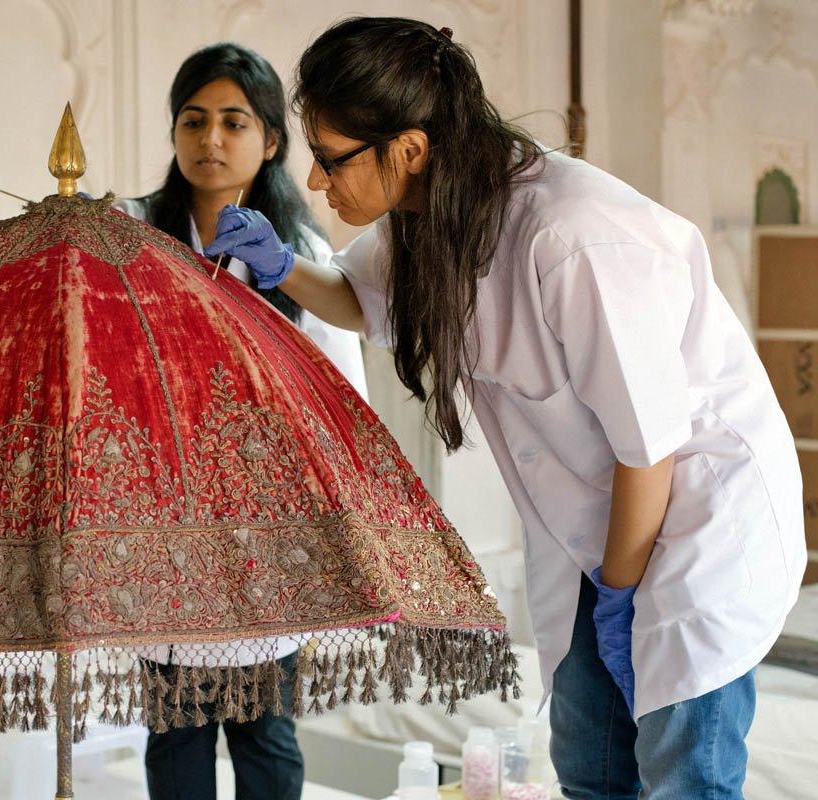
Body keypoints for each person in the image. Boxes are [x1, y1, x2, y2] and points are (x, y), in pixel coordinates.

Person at [204, 17, 805, 800]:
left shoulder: (573, 237)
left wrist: (619, 603)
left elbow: (649, 449)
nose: (318, 184)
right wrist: (283, 267)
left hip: (697, 526)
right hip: (601, 528)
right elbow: (362, 297)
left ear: (410, 148)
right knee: (590, 772)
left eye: (331, 160)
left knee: (682, 777)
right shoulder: (437, 212)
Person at [115, 42, 367, 800]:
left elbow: (339, 403)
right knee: (177, 725)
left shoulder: (302, 255)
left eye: (233, 121)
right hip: (165, 514)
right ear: (173, 135)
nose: (211, 140)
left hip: (265, 521)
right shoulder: (130, 235)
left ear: (272, 140)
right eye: (193, 121)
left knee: (262, 729)